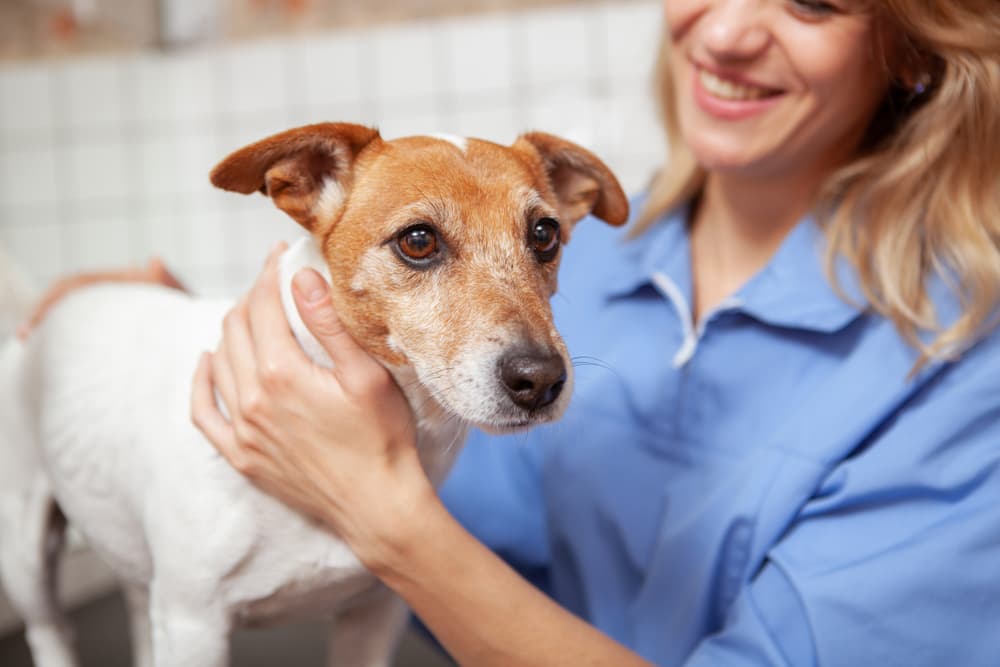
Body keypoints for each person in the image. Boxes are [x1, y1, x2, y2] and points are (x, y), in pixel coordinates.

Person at [21, 1, 1000, 665]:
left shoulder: (961, 362)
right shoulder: (608, 260)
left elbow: (385, 484)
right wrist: (162, 331)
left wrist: (387, 518)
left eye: (816, 0)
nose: (729, 28)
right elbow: (400, 400)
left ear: (911, 44)